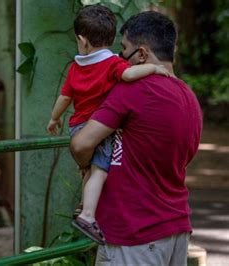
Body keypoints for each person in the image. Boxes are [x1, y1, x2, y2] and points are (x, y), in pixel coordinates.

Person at [70, 11, 202, 265]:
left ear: (141, 54)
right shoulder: (189, 98)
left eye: (124, 50)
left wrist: (88, 165)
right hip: (175, 228)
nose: (119, 59)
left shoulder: (134, 89)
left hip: (135, 234)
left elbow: (81, 143)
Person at [46, 4, 169, 245]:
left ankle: (83, 205)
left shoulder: (75, 67)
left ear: (82, 40)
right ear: (112, 38)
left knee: (89, 170)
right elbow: (128, 75)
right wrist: (154, 68)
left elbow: (64, 98)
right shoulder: (113, 63)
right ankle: (88, 215)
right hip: (99, 127)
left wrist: (54, 118)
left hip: (77, 126)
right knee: (100, 173)